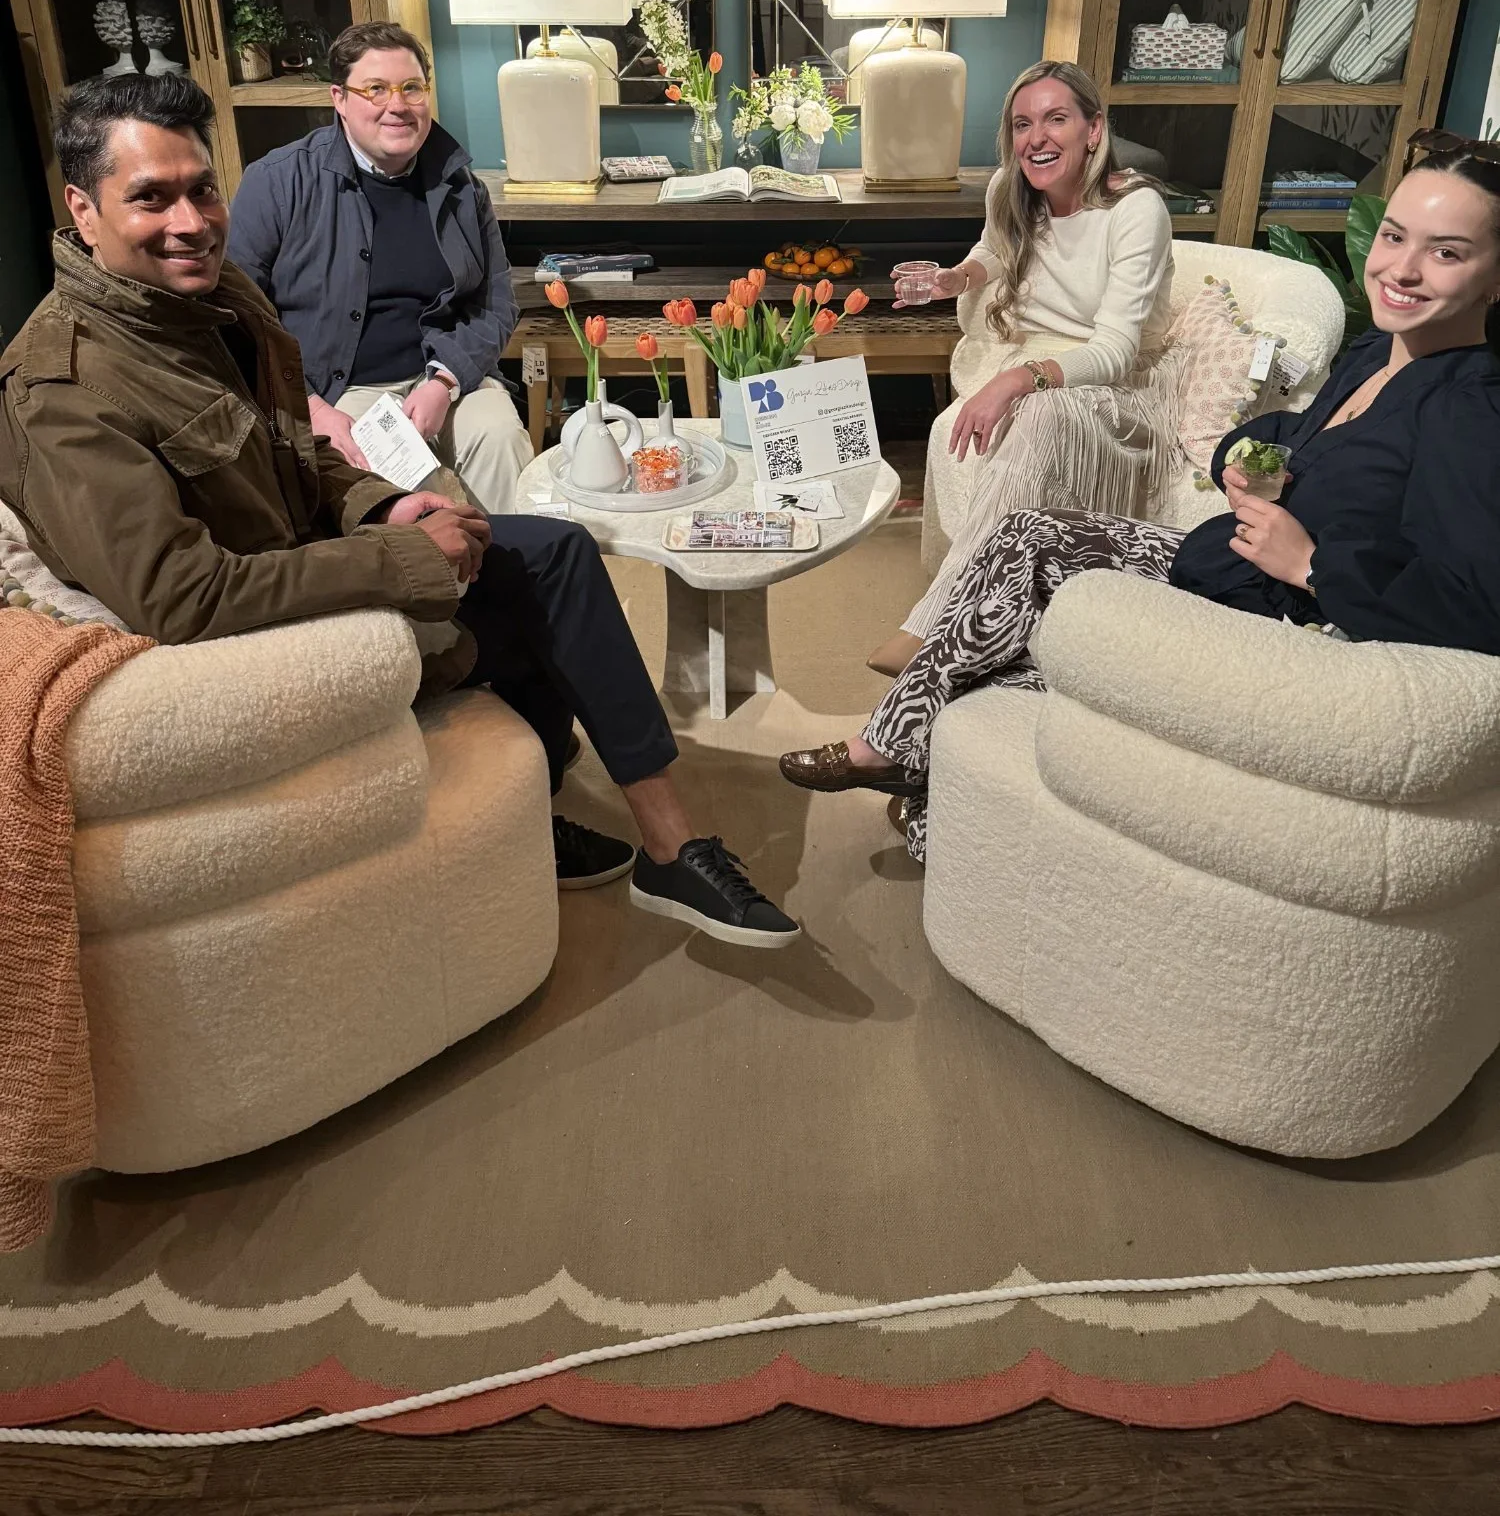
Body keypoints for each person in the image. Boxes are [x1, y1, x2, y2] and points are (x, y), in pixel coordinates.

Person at [0, 74, 797, 949]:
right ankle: (541, 807)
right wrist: (406, 560)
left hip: (308, 552)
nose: (189, 221)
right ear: (83, 209)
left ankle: (662, 844)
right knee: (506, 588)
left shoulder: (218, 300)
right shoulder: (63, 387)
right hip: (254, 636)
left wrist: (385, 505)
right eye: (150, 198)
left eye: (201, 190)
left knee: (550, 552)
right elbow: (185, 597)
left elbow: (290, 454)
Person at [783, 145, 1500, 860]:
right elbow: (1301, 440)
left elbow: (1477, 604)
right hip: (1231, 564)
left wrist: (1312, 567)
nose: (1402, 268)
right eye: (1394, 236)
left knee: (1010, 653)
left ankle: (917, 781)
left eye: (1447, 252)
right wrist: (1240, 460)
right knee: (1026, 536)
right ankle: (900, 754)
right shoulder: (1383, 352)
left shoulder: (1470, 410)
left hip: (1279, 623)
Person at [866, 60, 1176, 677]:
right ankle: (982, 610)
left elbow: (1115, 351)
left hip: (1119, 381)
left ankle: (934, 624)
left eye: (1056, 119)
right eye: (1022, 124)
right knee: (951, 429)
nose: (1037, 137)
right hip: (1036, 355)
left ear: (1094, 130)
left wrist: (1014, 381)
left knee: (1029, 416)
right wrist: (956, 278)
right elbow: (993, 249)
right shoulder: (1011, 189)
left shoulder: (1136, 210)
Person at [226, 21, 533, 516]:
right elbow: (238, 312)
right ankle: (420, 584)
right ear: (339, 99)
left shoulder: (461, 186)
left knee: (498, 435)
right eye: (376, 89)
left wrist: (445, 380)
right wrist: (309, 406)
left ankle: (510, 574)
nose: (397, 105)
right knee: (368, 479)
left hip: (444, 376)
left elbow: (496, 303)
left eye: (411, 88)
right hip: (338, 389)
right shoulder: (277, 182)